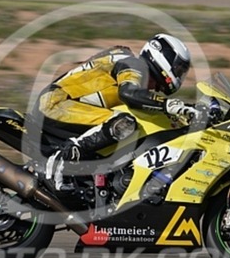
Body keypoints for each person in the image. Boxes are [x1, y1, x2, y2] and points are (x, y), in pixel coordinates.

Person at [37, 33, 199, 191]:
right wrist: (170, 105)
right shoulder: (134, 65)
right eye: (178, 68)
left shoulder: (127, 62)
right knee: (124, 122)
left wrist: (190, 110)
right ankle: (63, 159)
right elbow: (129, 93)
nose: (179, 74)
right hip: (56, 104)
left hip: (65, 104)